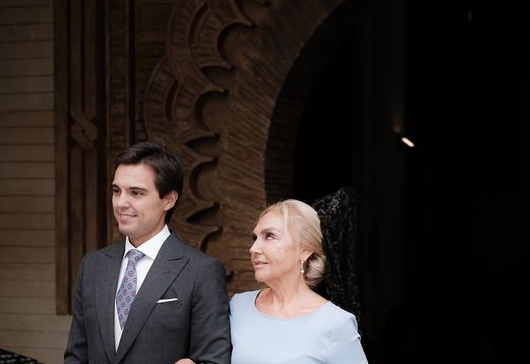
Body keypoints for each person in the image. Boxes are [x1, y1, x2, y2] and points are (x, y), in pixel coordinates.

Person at [64, 141, 232, 364]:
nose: (121, 203)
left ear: (168, 200)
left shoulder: (201, 271)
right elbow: (76, 356)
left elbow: (214, 360)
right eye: (117, 191)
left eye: (136, 193)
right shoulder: (92, 265)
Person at [230, 199, 368, 364]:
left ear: (305, 250)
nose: (253, 248)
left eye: (269, 236)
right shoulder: (238, 306)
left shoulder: (335, 324)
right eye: (255, 237)